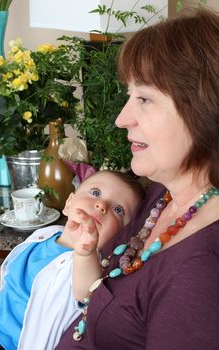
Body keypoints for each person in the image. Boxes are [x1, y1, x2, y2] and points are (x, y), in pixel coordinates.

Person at [56, 8, 219, 350]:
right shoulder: (164, 194)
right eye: (129, 95)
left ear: (204, 109)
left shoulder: (201, 274)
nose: (121, 119)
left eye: (144, 98)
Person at [0, 170, 145, 350]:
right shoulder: (46, 234)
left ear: (120, 237)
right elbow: (8, 274)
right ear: (69, 203)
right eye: (95, 193)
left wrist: (85, 252)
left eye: (118, 210)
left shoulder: (87, 264)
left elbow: (86, 292)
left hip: (10, 344)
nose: (102, 205)